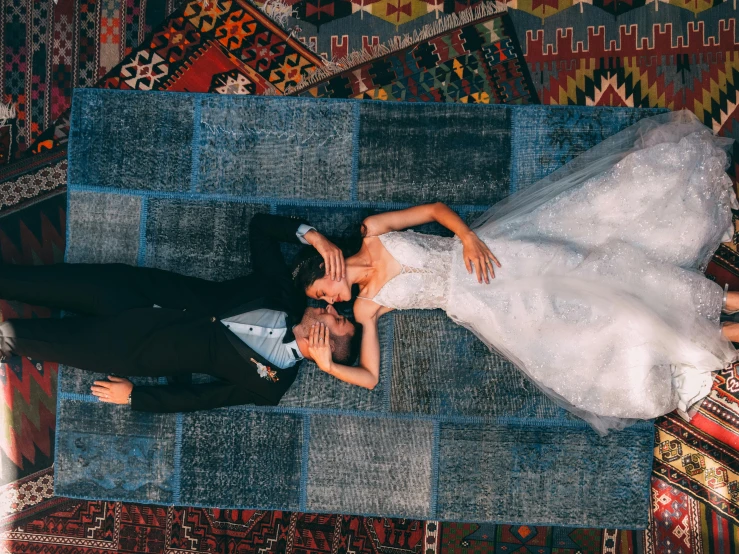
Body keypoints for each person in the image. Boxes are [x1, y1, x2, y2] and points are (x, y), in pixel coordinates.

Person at [293, 110, 739, 435]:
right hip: (486, 303)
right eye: (325, 302)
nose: (330, 300)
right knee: (602, 318)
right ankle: (718, 328)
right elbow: (370, 378)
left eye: (322, 291)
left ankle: (723, 305)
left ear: (328, 265)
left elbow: (432, 210)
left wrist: (467, 238)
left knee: (602, 271)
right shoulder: (369, 307)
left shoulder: (372, 232)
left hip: (494, 254)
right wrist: (331, 367)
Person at [0, 214, 359, 412]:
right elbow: (260, 228)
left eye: (337, 318)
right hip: (130, 288)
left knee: (16, 338)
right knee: (24, 282)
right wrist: (315, 238)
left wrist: (135, 397)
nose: (329, 306)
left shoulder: (274, 385)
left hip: (129, 348)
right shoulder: (282, 291)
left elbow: (201, 399)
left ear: (329, 345)